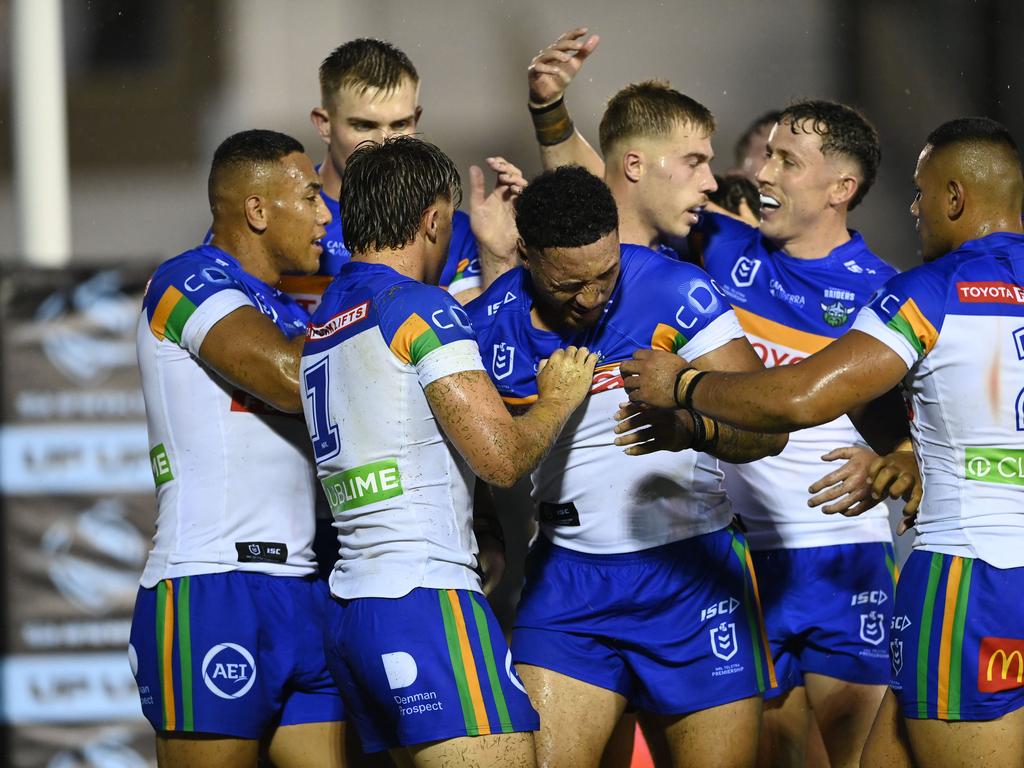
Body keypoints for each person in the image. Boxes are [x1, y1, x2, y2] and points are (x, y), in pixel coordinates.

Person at [526, 29, 905, 766]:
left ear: (841, 189)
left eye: (785, 161)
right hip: (740, 558)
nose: (756, 171)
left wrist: (905, 455)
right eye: (766, 155)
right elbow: (611, 193)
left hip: (841, 555)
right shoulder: (722, 249)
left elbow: (925, 410)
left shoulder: (884, 291)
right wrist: (549, 112)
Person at [618, 116, 1024, 768]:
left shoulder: (930, 289)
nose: (914, 209)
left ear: (956, 198)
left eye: (922, 194)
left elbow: (801, 398)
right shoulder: (734, 248)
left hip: (971, 578)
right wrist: (907, 451)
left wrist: (686, 386)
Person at [467, 164, 788, 768]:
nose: (591, 299)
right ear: (527, 255)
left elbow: (767, 430)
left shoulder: (674, 290)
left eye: (606, 275)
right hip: (568, 589)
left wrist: (689, 425)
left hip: (692, 577)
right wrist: (484, 527)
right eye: (569, 286)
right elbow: (468, 453)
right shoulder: (485, 327)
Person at [300, 136, 599, 767]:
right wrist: (559, 397)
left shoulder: (325, 318)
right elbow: (500, 458)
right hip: (425, 600)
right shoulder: (419, 308)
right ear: (435, 220)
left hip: (355, 609)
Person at [131, 129, 344, 767]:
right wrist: (383, 332)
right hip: (212, 587)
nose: (324, 214)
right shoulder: (185, 279)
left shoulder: (290, 308)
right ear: (256, 209)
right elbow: (287, 380)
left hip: (302, 588)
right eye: (309, 197)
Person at [302, 37, 522, 310]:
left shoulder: (457, 231)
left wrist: (497, 258)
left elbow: (476, 341)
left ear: (416, 119)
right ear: (324, 124)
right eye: (363, 125)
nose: (384, 141)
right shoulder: (286, 218)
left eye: (400, 123)